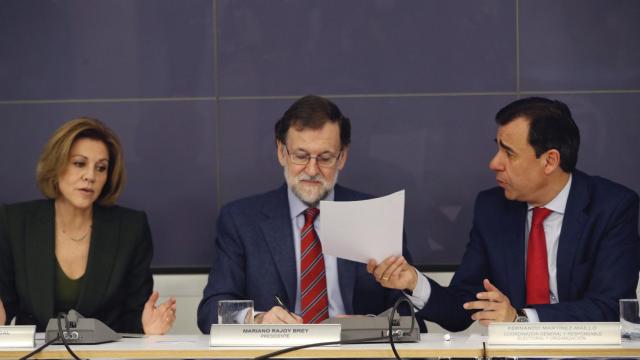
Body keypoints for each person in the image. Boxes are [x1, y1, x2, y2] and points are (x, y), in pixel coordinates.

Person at [369, 97, 640, 331]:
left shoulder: (611, 207)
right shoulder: (493, 208)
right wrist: (413, 282)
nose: (494, 163)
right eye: (498, 147)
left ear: (550, 161)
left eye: (508, 153)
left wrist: (520, 318)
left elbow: (609, 309)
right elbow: (462, 308)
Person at [197, 95, 425, 332]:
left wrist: (368, 325)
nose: (312, 169)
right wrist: (257, 320)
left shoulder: (377, 216)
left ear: (342, 157)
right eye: (301, 156)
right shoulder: (241, 220)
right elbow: (211, 311)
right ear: (281, 152)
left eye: (325, 158)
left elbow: (409, 317)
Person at [0, 117, 177, 334]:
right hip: (36, 354)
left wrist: (146, 325)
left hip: (106, 356)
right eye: (79, 163)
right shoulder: (15, 222)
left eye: (101, 168)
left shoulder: (131, 228)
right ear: (56, 165)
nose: (90, 176)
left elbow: (133, 315)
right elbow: (5, 305)